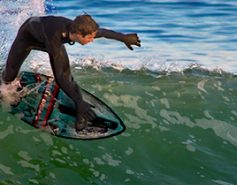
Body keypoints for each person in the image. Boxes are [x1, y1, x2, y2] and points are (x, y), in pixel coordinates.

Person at [1, 14, 141, 130]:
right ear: (79, 34)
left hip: (46, 35)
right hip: (27, 38)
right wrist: (79, 102)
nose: (92, 40)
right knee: (9, 77)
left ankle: (80, 112)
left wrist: (124, 38)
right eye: (90, 37)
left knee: (67, 75)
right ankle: (79, 105)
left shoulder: (80, 29)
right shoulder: (54, 38)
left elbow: (103, 32)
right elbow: (60, 77)